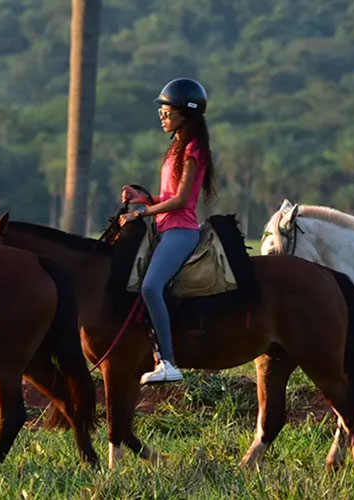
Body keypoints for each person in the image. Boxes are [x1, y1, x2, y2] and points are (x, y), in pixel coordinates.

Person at [116, 77, 217, 384]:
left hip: (180, 232)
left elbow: (182, 200)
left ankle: (168, 362)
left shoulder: (193, 149)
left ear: (185, 114)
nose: (162, 115)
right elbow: (167, 196)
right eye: (161, 110)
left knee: (150, 287)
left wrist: (142, 212)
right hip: (164, 229)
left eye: (167, 110)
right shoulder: (176, 147)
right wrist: (142, 197)